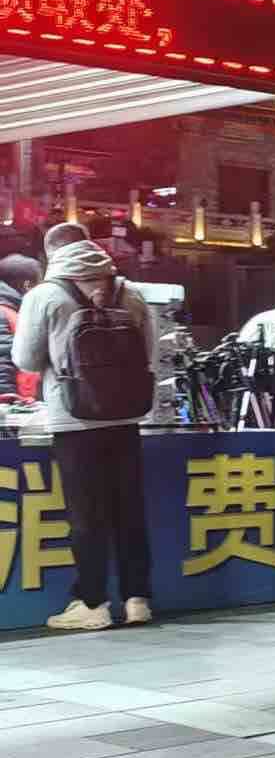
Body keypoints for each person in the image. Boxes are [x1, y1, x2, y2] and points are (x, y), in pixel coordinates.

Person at [13, 223, 157, 631]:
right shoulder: (130, 292)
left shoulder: (44, 295)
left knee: (87, 514)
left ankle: (92, 603)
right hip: (126, 417)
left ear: (50, 253)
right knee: (129, 510)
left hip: (74, 419)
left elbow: (25, 359)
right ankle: (137, 599)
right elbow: (148, 353)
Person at [0, 253, 43, 400]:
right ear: (27, 285)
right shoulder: (3, 312)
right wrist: (7, 399)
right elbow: (2, 356)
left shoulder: (11, 309)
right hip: (12, 401)